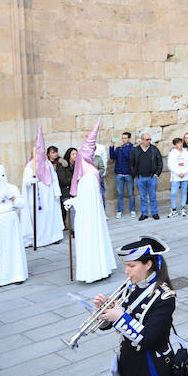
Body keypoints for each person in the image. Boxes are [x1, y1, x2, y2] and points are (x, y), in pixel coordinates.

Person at [96, 236, 176, 376]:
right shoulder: (130, 287)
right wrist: (104, 313)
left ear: (148, 264)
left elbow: (148, 338)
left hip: (152, 368)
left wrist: (120, 317)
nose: (126, 271)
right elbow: (111, 323)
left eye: (131, 266)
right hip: (130, 363)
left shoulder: (164, 297)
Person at [64, 120, 117, 283]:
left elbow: (85, 201)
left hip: (88, 217)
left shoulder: (86, 176)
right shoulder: (91, 171)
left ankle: (93, 272)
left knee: (90, 242)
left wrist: (72, 202)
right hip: (94, 216)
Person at [21, 125, 64, 247]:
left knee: (50, 216)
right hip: (36, 197)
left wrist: (56, 192)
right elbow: (26, 182)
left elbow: (54, 178)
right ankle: (38, 239)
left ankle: (52, 237)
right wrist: (32, 181)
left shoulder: (47, 164)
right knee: (38, 218)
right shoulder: (30, 166)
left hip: (49, 195)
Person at [129, 133, 163, 221]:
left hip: (152, 177)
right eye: (147, 139)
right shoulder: (136, 150)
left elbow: (160, 162)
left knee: (152, 196)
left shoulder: (154, 149)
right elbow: (131, 163)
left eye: (150, 139)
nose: (149, 141)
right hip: (140, 177)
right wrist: (135, 174)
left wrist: (157, 174)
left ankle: (154, 213)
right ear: (142, 140)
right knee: (143, 197)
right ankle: (144, 213)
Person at [110, 131, 137, 220]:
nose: (123, 139)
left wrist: (122, 148)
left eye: (125, 138)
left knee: (131, 193)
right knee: (120, 193)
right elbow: (112, 157)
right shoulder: (118, 148)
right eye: (122, 138)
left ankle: (132, 210)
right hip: (119, 174)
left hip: (128, 174)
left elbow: (129, 158)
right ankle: (119, 211)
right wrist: (111, 146)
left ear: (129, 139)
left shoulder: (132, 148)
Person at [166, 138, 188, 217]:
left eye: (180, 143)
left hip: (185, 175)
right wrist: (178, 173)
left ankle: (183, 207)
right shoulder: (172, 153)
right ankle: (174, 209)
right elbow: (170, 165)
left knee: (184, 192)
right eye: (178, 143)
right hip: (176, 176)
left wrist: (184, 172)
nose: (180, 144)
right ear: (175, 145)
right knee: (174, 193)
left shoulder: (186, 152)